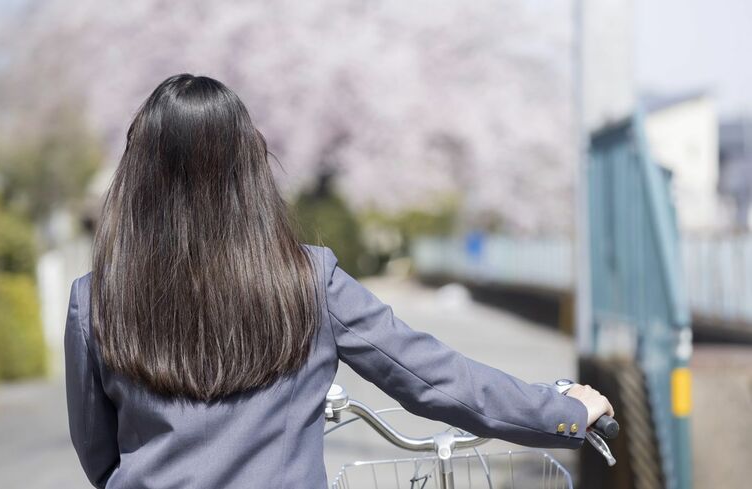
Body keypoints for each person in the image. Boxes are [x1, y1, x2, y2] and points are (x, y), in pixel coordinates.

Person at [64, 73, 614, 489]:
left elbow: (98, 453)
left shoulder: (95, 301)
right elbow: (435, 378)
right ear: (249, 172)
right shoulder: (308, 280)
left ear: (137, 179)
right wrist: (561, 411)